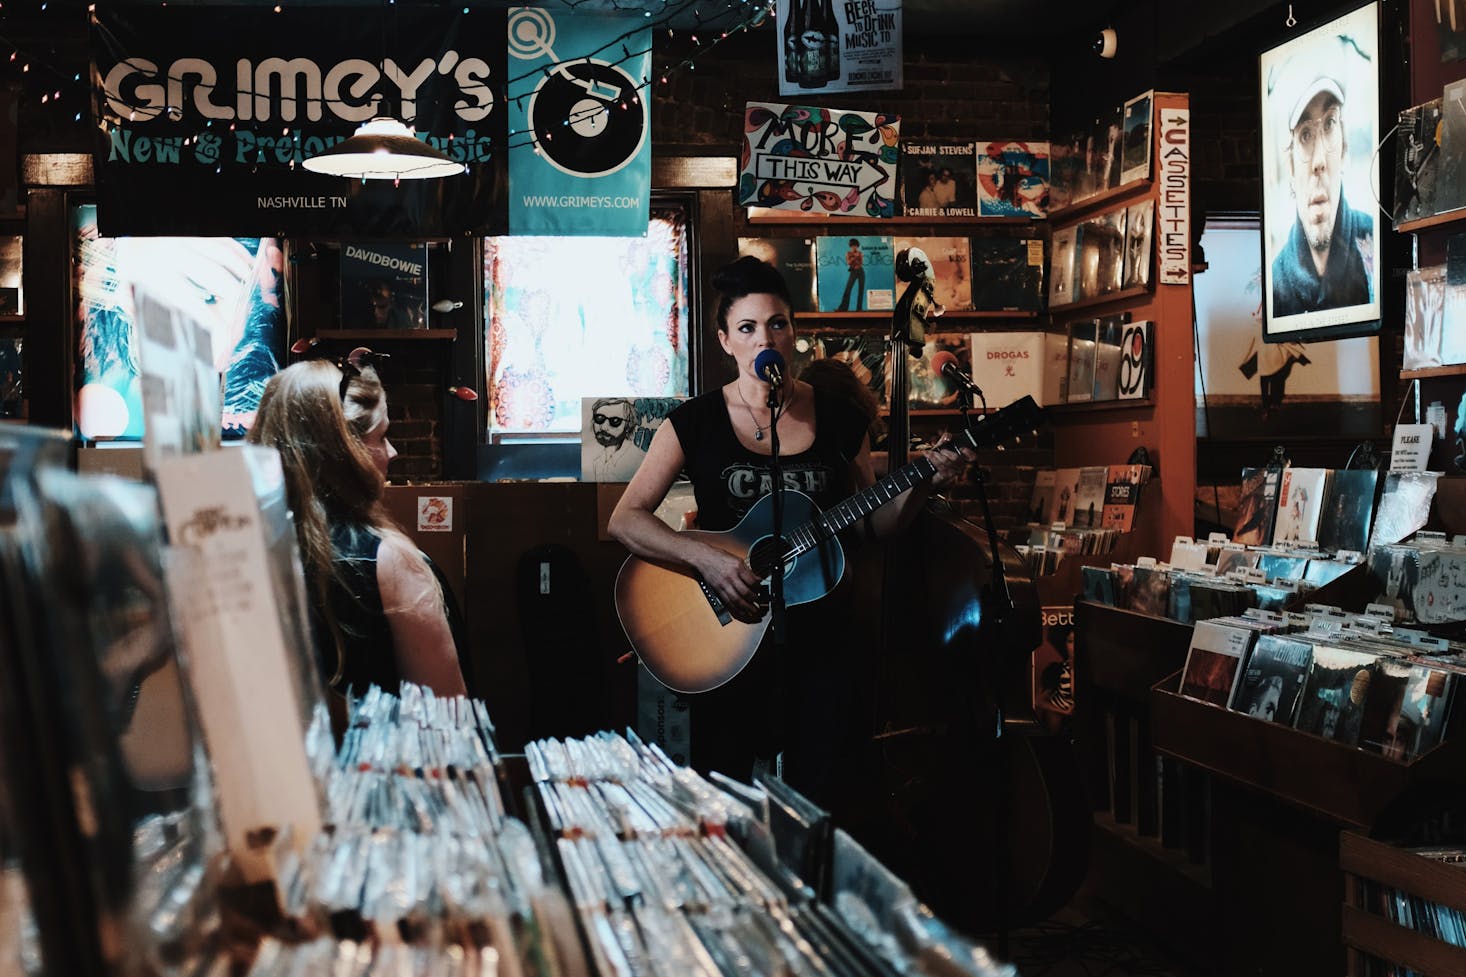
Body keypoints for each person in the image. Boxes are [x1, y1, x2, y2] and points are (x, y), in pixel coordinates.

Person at [608, 256, 973, 806]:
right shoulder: (695, 422)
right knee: (722, 792)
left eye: (778, 324)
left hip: (822, 636)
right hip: (726, 633)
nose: (766, 340)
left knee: (821, 791)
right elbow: (625, 519)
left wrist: (923, 483)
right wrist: (705, 560)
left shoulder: (840, 420)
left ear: (794, 332)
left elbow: (872, 522)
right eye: (749, 328)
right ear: (725, 340)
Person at [248, 352, 468, 704]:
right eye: (381, 437)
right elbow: (446, 724)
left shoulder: (247, 555)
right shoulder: (390, 563)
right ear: (345, 450)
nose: (392, 452)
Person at [1270, 70, 1374, 316]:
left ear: (1344, 149)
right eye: (1305, 135)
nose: (1319, 161)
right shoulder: (1276, 280)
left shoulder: (1375, 239)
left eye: (1329, 124)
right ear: (1291, 166)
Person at [584, 397, 646, 481]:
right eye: (599, 419)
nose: (604, 427)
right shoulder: (597, 462)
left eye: (615, 421)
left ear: (629, 425)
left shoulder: (639, 459)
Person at [837, 238, 865, 312]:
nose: (854, 247)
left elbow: (861, 263)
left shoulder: (860, 253)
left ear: (857, 246)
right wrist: (855, 257)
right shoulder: (848, 253)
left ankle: (859, 309)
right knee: (848, 289)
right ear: (850, 246)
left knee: (861, 290)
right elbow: (848, 263)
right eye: (852, 246)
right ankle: (843, 308)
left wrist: (858, 256)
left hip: (860, 271)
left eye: (855, 246)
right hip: (853, 271)